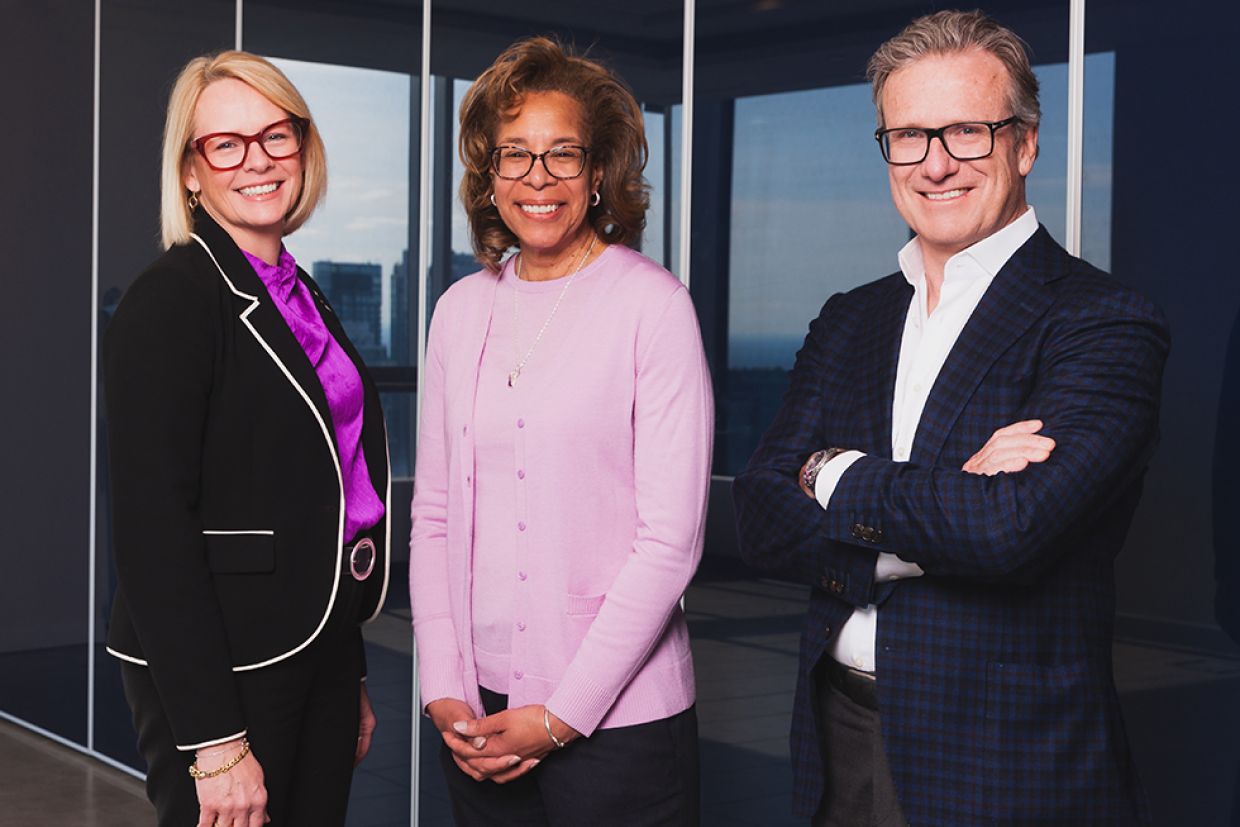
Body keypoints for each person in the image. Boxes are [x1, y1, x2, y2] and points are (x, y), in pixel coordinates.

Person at [733, 10, 1169, 826]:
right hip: (835, 734)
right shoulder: (850, 319)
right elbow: (759, 514)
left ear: (1025, 144)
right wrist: (940, 513)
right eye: (909, 136)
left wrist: (829, 471)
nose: (935, 164)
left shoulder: (1102, 321)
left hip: (1006, 758)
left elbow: (1008, 529)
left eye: (967, 131)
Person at [409, 36, 712, 826]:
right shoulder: (457, 310)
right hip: (476, 712)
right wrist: (441, 686)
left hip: (620, 727)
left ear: (598, 171)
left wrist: (561, 715)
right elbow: (434, 514)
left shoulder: (654, 307)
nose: (537, 178)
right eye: (514, 154)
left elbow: (671, 541)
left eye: (562, 154)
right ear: (489, 173)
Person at [104, 51, 390, 827]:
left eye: (275, 135)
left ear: (303, 145)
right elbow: (152, 535)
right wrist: (216, 739)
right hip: (223, 664)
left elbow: (329, 491)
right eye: (226, 144)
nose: (257, 160)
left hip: (318, 645)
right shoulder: (170, 301)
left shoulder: (298, 291)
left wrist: (349, 669)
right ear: (190, 172)